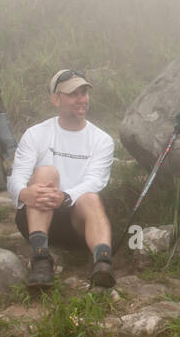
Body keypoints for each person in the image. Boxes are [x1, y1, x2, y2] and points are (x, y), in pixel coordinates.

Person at [8, 68, 116, 288]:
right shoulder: (36, 134)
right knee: (46, 173)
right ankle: (40, 259)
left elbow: (96, 180)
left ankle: (103, 263)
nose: (81, 99)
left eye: (84, 93)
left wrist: (65, 197)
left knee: (90, 197)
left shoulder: (102, 140)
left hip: (78, 222)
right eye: (73, 94)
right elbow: (16, 176)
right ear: (56, 99)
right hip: (37, 216)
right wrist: (24, 192)